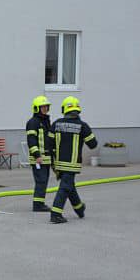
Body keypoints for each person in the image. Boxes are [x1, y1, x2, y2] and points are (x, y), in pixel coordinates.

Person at [49, 96, 97, 224]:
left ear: (64, 109)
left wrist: (52, 162)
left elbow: (49, 144)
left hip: (58, 163)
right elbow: (93, 144)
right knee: (65, 187)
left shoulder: (56, 124)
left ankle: (79, 208)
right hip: (72, 164)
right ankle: (55, 214)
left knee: (69, 186)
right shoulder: (82, 126)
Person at [26, 95, 53, 212]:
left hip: (46, 158)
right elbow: (31, 140)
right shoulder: (33, 122)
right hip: (38, 159)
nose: (45, 109)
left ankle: (40, 203)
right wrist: (37, 155)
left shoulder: (46, 121)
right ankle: (37, 205)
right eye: (43, 107)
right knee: (41, 181)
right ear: (36, 108)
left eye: (46, 106)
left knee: (44, 181)